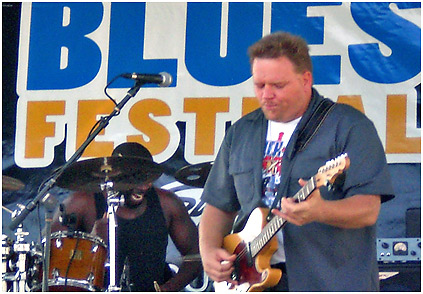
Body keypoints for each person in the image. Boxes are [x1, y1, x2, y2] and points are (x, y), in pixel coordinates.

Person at [199, 31, 394, 292]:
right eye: (259, 85)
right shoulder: (242, 132)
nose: (266, 94)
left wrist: (322, 212)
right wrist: (209, 250)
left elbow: (368, 209)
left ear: (306, 80)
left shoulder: (349, 126)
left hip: (329, 281)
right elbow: (218, 206)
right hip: (254, 280)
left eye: (278, 86)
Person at [50, 142, 202, 292]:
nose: (144, 186)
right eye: (136, 178)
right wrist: (92, 243)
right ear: (115, 176)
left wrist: (168, 288)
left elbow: (195, 255)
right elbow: (52, 264)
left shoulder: (168, 203)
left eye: (148, 178)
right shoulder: (81, 203)